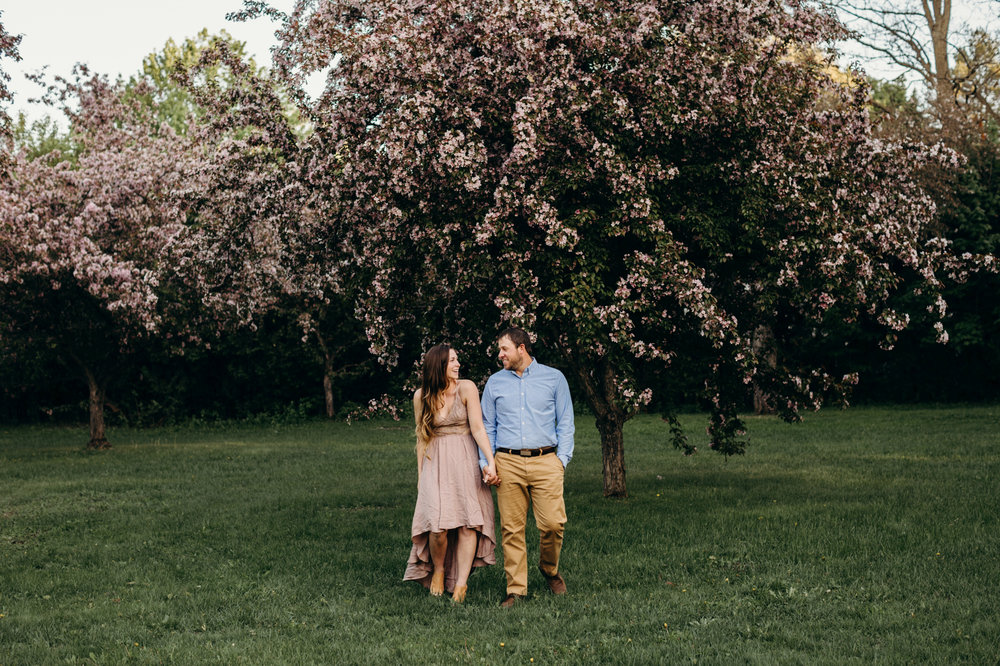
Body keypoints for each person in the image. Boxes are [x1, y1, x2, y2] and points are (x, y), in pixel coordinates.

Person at [480, 327, 574, 608]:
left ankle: (549, 569)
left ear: (522, 348)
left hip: (547, 461)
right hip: (507, 462)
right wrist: (488, 464)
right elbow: (487, 426)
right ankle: (516, 589)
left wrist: (561, 461)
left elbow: (566, 421)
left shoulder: (554, 378)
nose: (500, 355)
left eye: (504, 349)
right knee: (512, 529)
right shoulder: (495, 383)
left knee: (553, 525)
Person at [403, 343, 500, 603]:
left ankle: (461, 585)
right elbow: (422, 439)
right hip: (436, 462)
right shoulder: (420, 396)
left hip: (465, 459)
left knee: (469, 524)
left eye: (457, 360)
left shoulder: (467, 388)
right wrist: (421, 477)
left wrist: (490, 462)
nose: (458, 365)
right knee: (437, 526)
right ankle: (439, 569)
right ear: (438, 366)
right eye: (452, 361)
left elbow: (478, 429)